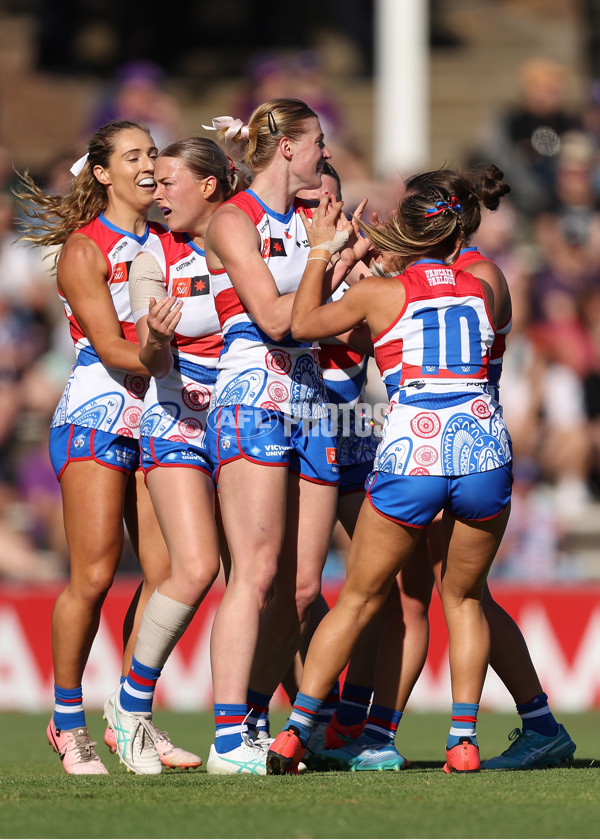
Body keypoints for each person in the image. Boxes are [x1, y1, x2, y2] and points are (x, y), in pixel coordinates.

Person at [311, 167, 576, 773]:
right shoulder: (475, 275)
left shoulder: (474, 277)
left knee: (440, 596)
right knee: (444, 596)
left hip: (438, 447)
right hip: (460, 448)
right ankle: (525, 725)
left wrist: (363, 276)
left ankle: (379, 733)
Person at [266, 169, 515, 775]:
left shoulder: (381, 293)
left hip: (414, 454)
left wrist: (326, 252)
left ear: (405, 227)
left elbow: (299, 325)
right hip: (484, 449)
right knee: (463, 600)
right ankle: (462, 740)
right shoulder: (484, 285)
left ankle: (296, 732)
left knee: (357, 599)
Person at [202, 98, 366, 775]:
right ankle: (223, 739)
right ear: (291, 147)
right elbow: (275, 318)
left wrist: (352, 258)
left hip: (313, 401)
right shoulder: (233, 219)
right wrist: (330, 257)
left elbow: (336, 319)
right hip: (253, 397)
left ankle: (250, 719)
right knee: (258, 570)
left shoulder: (310, 220)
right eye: (320, 142)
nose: (327, 154)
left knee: (303, 589)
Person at [15, 120, 183, 775]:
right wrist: (160, 354)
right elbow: (110, 345)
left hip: (160, 417)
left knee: (167, 575)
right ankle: (65, 722)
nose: (148, 164)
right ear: (105, 173)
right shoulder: (87, 249)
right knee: (93, 575)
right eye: (133, 155)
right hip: (99, 414)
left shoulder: (171, 239)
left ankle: (131, 715)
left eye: (152, 153)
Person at [102, 137, 250, 773]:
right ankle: (130, 708)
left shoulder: (241, 240)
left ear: (210, 187)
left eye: (167, 182)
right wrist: (157, 340)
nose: (155, 194)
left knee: (274, 581)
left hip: (250, 418)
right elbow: (150, 357)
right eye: (153, 182)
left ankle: (279, 724)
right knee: (195, 569)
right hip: (178, 423)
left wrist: (252, 140)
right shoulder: (149, 258)